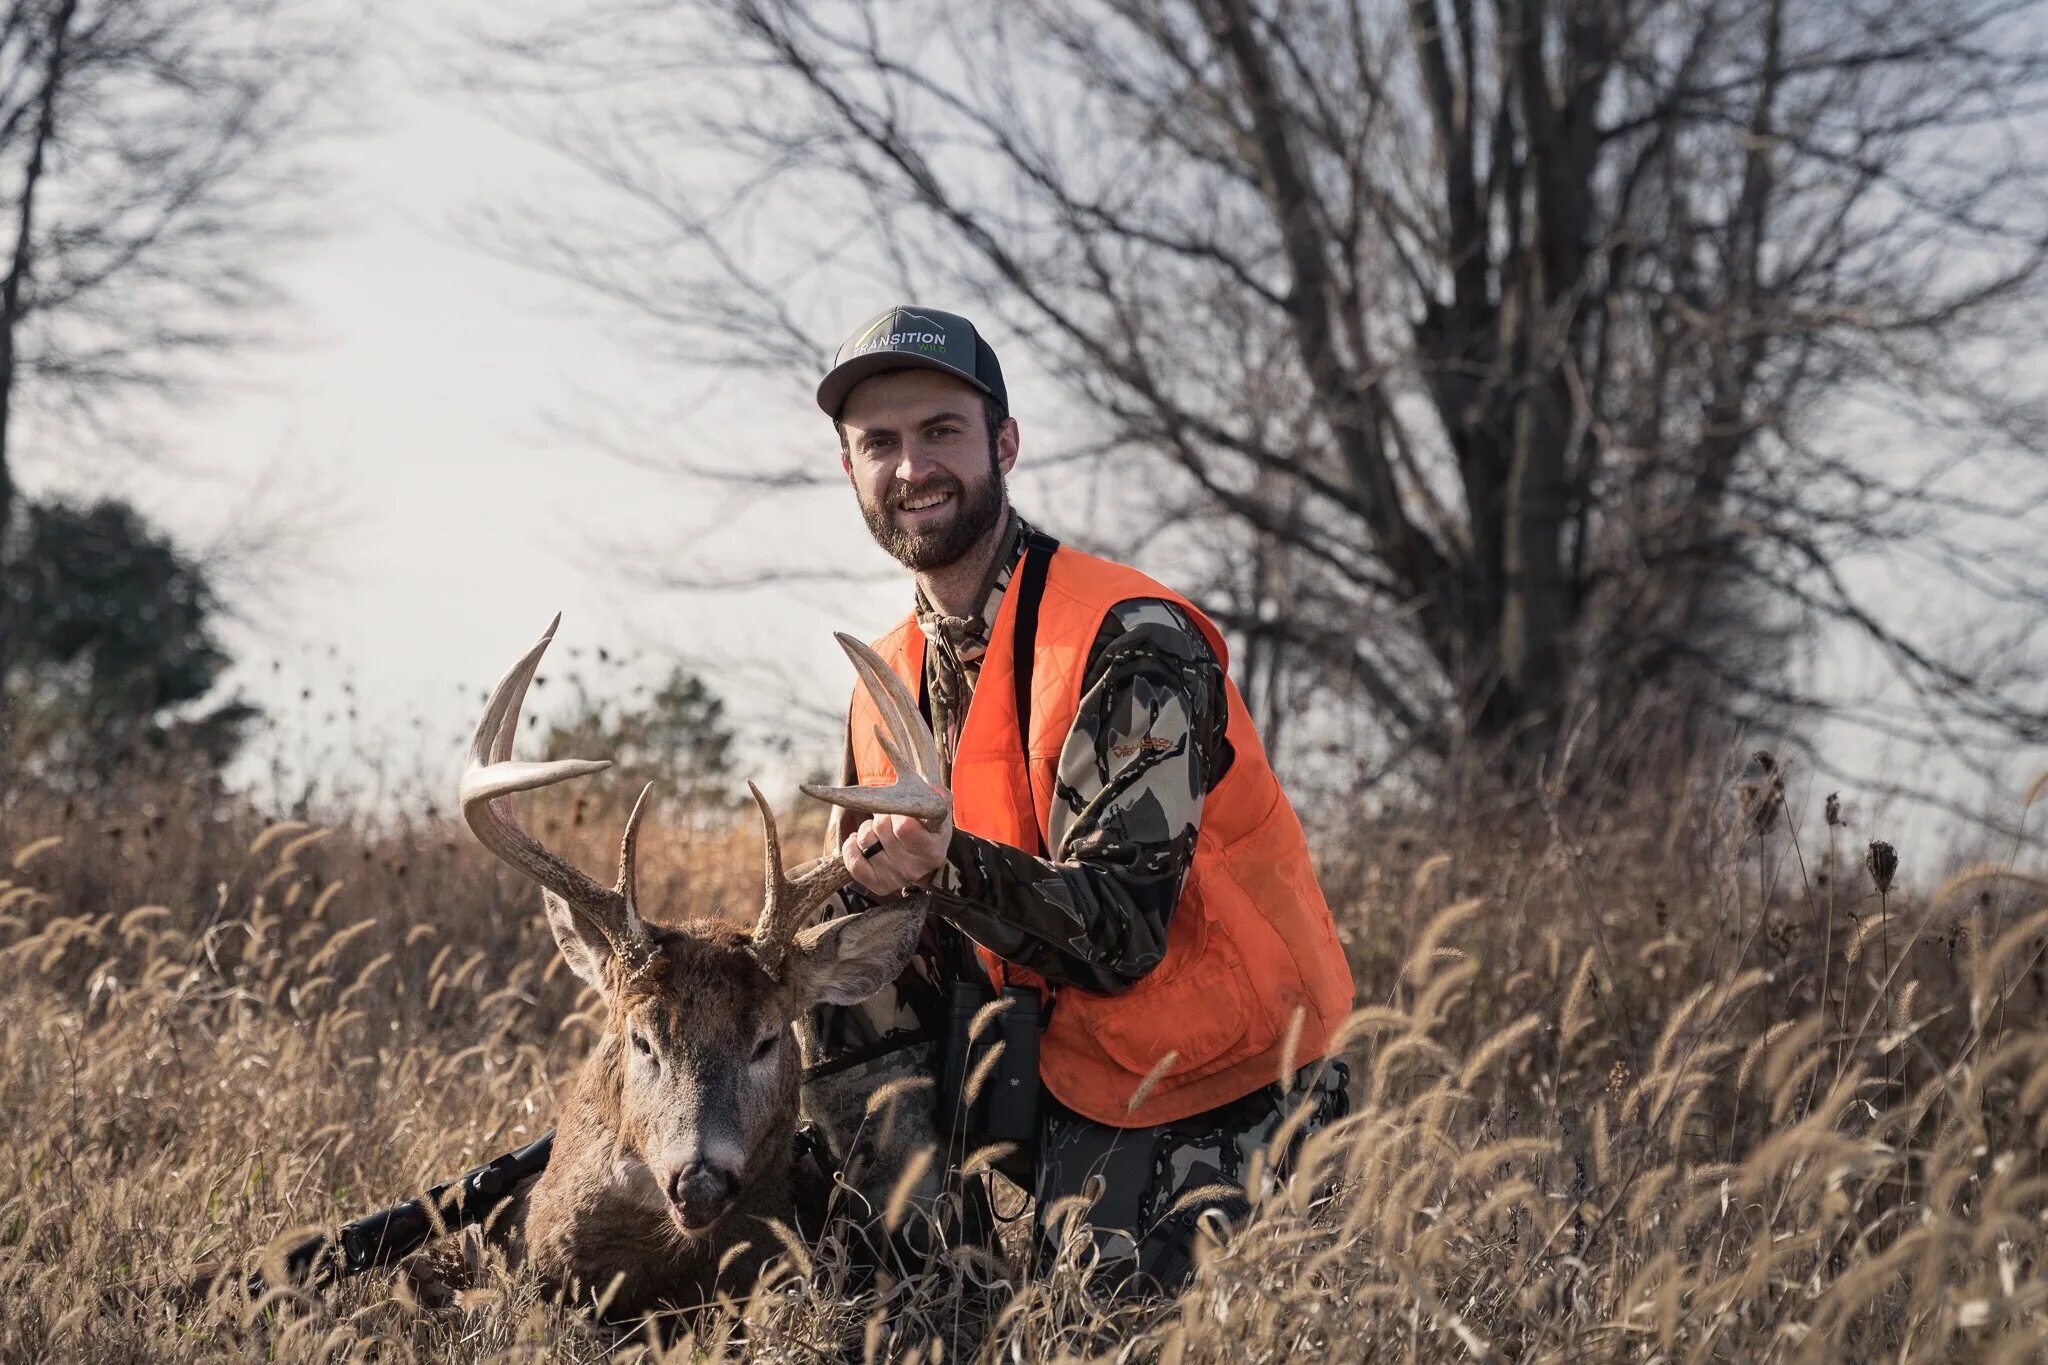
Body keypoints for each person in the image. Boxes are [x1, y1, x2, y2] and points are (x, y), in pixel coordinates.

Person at [800, 305, 1355, 1294]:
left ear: (1002, 444)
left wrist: (947, 865)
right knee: (835, 945)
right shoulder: (884, 677)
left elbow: (1121, 935)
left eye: (940, 433)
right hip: (1044, 1059)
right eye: (877, 443)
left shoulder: (1124, 635)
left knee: (1092, 1336)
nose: (910, 468)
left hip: (1214, 1074)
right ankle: (934, 1298)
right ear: (848, 471)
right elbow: (881, 932)